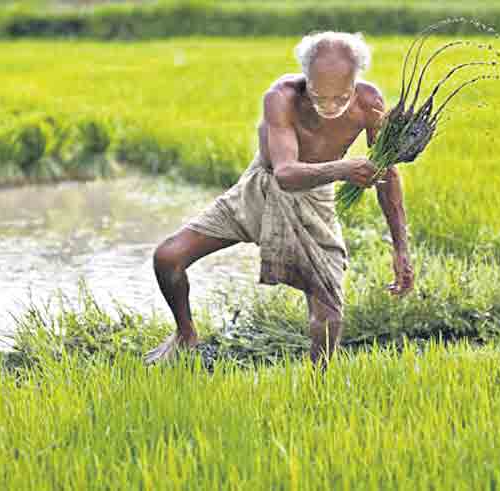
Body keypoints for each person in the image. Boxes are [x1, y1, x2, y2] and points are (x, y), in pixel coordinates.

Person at [144, 31, 414, 368]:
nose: (329, 108)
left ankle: (319, 385)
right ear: (306, 77)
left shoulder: (369, 103)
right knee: (168, 258)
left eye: (340, 98)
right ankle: (186, 336)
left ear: (355, 82)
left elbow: (388, 174)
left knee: (328, 310)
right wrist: (343, 168)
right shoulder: (281, 97)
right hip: (261, 187)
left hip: (314, 199)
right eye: (319, 95)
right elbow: (285, 174)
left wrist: (400, 248)